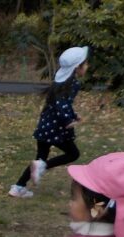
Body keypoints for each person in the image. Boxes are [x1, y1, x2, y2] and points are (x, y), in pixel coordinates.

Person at [9, 46, 89, 198]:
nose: (87, 66)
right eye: (85, 64)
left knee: (39, 159)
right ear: (77, 67)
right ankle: (42, 167)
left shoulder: (60, 82)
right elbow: (61, 104)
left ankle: (18, 187)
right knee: (73, 154)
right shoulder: (72, 84)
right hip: (56, 129)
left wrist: (73, 115)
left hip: (45, 125)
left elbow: (61, 104)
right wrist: (68, 120)